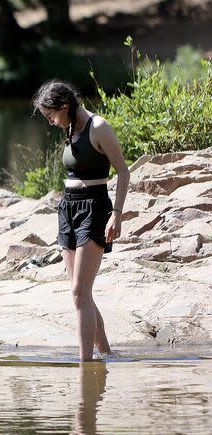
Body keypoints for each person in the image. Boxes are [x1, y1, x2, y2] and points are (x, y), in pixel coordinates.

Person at [32, 80, 130, 361]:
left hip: (95, 209)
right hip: (68, 210)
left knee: (79, 291)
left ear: (65, 107)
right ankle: (106, 354)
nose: (50, 122)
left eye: (51, 116)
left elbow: (123, 172)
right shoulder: (70, 127)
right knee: (81, 292)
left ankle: (85, 365)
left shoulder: (99, 127)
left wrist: (117, 215)